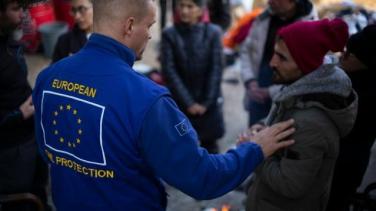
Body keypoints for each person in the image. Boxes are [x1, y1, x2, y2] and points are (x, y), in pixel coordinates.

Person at [32, 0, 296, 210]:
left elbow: (50, 152)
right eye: (149, 26)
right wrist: (255, 149)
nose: (149, 36)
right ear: (129, 25)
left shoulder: (48, 77)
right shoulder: (147, 99)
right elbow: (202, 178)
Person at [244, 19, 358, 211]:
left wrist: (253, 150)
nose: (272, 62)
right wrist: (264, 127)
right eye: (274, 53)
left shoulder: (311, 123)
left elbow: (290, 184)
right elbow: (286, 118)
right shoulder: (300, 91)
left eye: (282, 57)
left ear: (306, 64)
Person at [0, 0, 49, 210]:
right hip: (10, 151)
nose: (23, 14)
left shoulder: (9, 42)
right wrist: (18, 114)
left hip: (30, 137)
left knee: (39, 193)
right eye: (16, 9)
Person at [239, 0, 317, 126]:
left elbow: (307, 71)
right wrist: (250, 81)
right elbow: (246, 51)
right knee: (254, 133)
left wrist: (271, 92)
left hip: (288, 102)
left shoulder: (310, 27)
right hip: (257, 93)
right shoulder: (262, 19)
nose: (269, 1)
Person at [161, 0, 224, 153]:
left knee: (211, 151)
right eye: (181, 5)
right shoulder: (170, 34)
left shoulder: (213, 33)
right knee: (181, 148)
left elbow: (216, 69)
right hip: (181, 104)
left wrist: (206, 103)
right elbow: (169, 71)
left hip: (208, 105)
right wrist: (188, 102)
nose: (184, 11)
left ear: (201, 10)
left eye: (190, 6)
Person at [326, 24, 376, 211]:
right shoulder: (349, 77)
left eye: (349, 54)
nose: (342, 56)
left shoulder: (361, 93)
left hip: (344, 168)